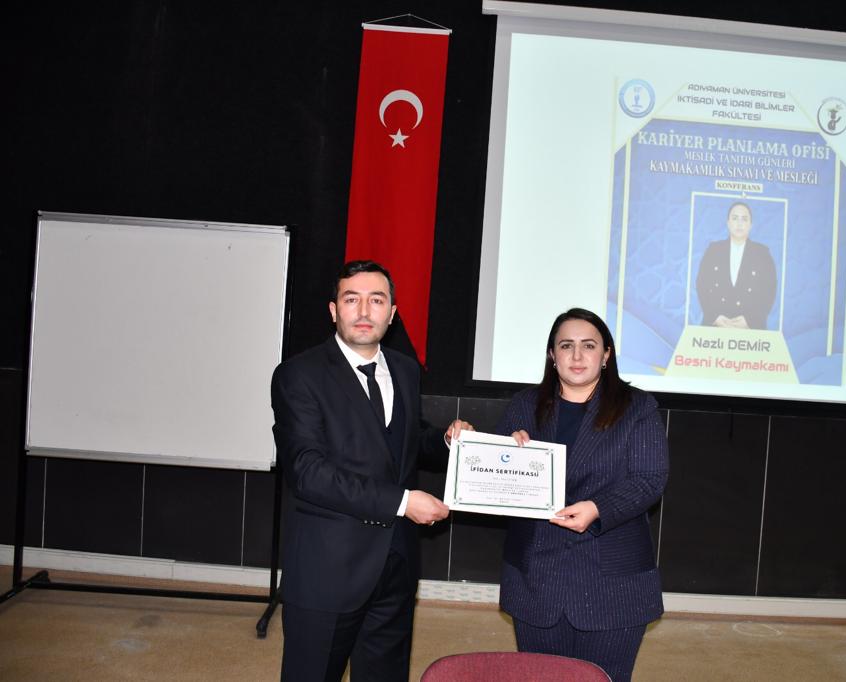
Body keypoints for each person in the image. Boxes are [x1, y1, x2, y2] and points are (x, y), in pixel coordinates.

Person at [271, 260, 472, 681]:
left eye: (376, 300)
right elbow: (308, 472)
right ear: (333, 310)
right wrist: (403, 503)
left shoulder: (404, 369)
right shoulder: (298, 375)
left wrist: (447, 441)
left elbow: (404, 441)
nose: (364, 311)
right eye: (352, 299)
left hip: (396, 565)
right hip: (329, 569)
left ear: (392, 313)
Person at [496, 308, 669, 682]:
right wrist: (497, 450)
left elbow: (649, 480)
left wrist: (597, 508)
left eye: (588, 346)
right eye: (566, 346)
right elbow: (496, 477)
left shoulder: (637, 408)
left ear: (606, 355)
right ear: (552, 354)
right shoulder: (524, 405)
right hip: (535, 578)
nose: (577, 356)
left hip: (612, 584)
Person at [695, 201, 778, 330]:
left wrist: (751, 320)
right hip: (715, 327)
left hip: (751, 329)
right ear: (728, 223)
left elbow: (769, 291)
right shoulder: (713, 250)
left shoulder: (762, 254)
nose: (739, 223)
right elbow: (702, 285)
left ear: (750, 225)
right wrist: (714, 317)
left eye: (744, 219)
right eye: (735, 218)